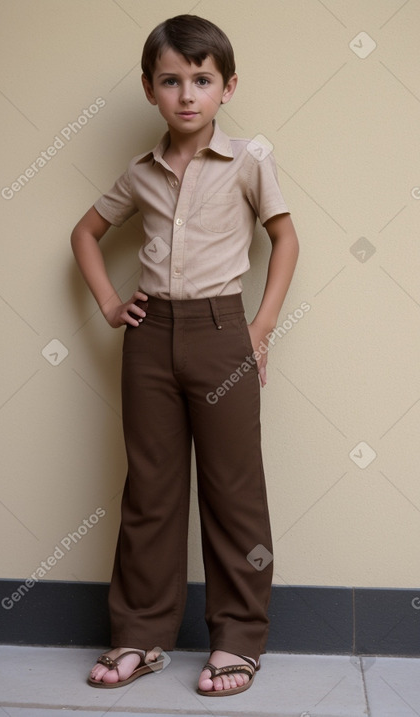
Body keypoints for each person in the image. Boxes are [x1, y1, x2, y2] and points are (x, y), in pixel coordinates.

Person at [70, 14, 299, 697]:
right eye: (171, 81)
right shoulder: (139, 172)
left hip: (221, 332)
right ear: (150, 90)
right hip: (148, 341)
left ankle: (238, 640)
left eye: (201, 80)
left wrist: (259, 328)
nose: (187, 95)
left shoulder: (250, 159)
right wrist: (112, 303)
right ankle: (139, 634)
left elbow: (285, 240)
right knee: (150, 490)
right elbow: (85, 232)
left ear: (227, 87)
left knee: (233, 491)